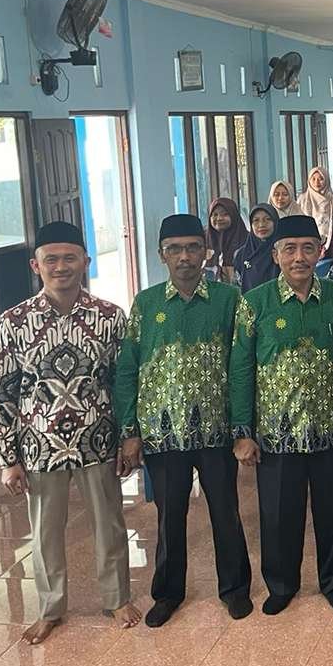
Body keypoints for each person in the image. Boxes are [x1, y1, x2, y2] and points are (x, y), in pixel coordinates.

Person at [0, 221, 141, 645]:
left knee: (109, 525)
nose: (61, 267)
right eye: (51, 259)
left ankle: (117, 599)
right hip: (40, 446)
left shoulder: (110, 317)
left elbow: (124, 382)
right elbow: (1, 393)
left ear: (85, 261)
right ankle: (50, 608)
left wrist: (128, 436)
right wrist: (8, 459)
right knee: (45, 534)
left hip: (98, 441)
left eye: (69, 258)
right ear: (35, 265)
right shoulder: (13, 323)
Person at [114, 214, 253, 627]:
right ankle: (168, 593)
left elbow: (241, 366)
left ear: (206, 252)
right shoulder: (146, 304)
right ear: (162, 255)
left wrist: (242, 428)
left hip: (216, 430)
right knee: (169, 517)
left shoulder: (229, 300)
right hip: (162, 432)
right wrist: (129, 431)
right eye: (174, 249)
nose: (184, 257)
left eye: (193, 247)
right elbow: (128, 369)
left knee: (225, 512)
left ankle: (235, 589)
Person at [229, 215, 333, 616]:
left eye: (307, 248)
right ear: (275, 254)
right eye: (290, 249)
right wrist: (242, 431)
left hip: (329, 428)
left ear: (320, 251)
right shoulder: (255, 303)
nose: (299, 257)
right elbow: (241, 369)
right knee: (279, 514)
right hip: (276, 432)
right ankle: (282, 585)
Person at [297, 165, 333, 260]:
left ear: (326, 180)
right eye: (313, 179)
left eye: (321, 179)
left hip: (328, 250)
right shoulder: (302, 201)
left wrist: (326, 247)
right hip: (305, 249)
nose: (317, 182)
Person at [233, 203, 280, 292]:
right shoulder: (241, 254)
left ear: (275, 222)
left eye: (267, 219)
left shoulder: (283, 251)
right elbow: (237, 286)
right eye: (256, 220)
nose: (261, 225)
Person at [204, 197, 247, 284]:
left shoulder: (248, 240)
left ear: (234, 216)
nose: (219, 218)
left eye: (225, 214)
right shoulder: (202, 241)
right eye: (215, 215)